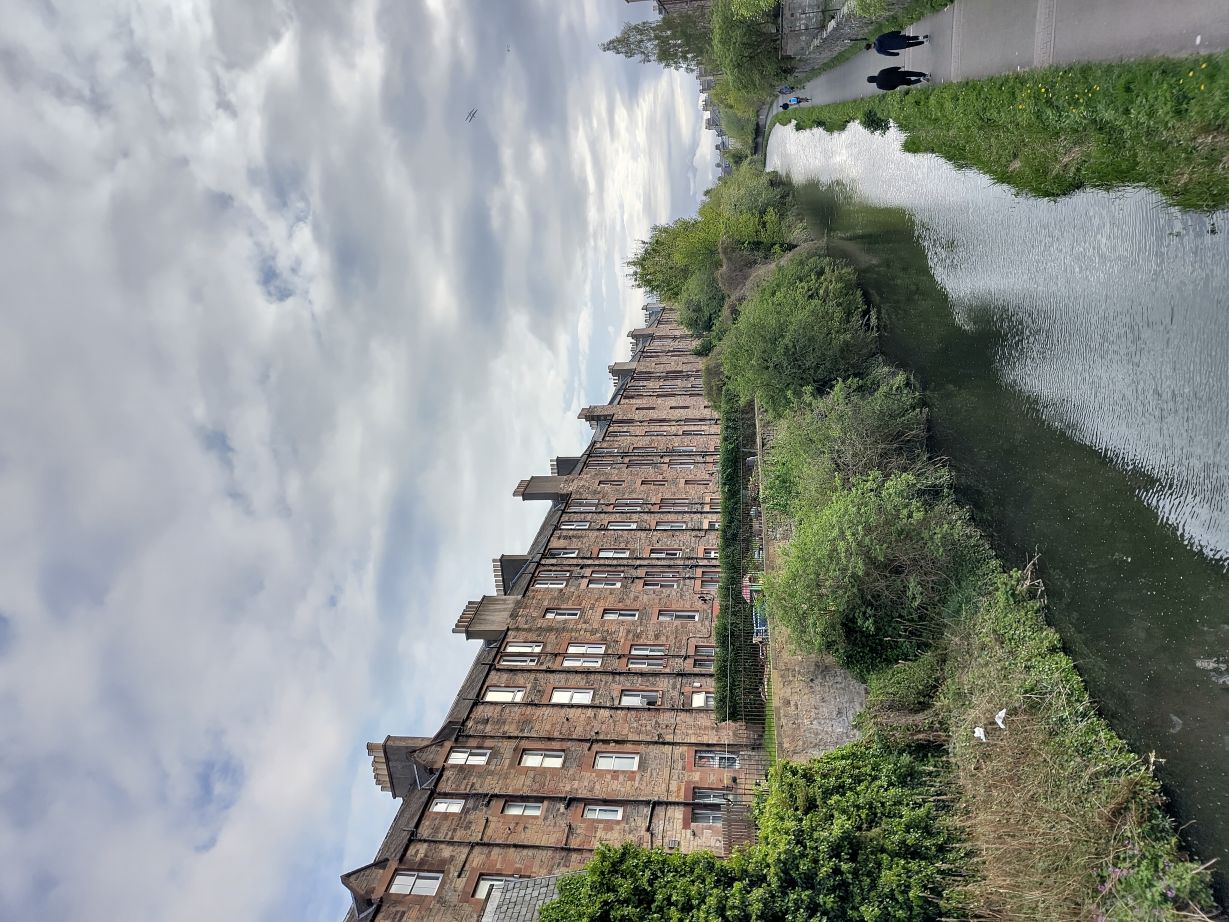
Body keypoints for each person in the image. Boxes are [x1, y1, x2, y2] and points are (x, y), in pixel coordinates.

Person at [861, 30, 928, 55]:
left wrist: (895, 54)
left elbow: (887, 53)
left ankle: (924, 42)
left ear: (870, 48)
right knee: (910, 38)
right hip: (898, 38)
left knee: (912, 44)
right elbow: (889, 34)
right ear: (870, 43)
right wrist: (897, 32)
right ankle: (921, 37)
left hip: (899, 45)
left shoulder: (878, 50)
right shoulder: (878, 38)